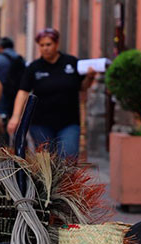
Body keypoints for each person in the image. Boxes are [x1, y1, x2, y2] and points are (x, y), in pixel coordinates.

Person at [7, 28, 96, 160]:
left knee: (68, 160)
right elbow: (23, 92)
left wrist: (89, 77)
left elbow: (82, 87)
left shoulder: (71, 62)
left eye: (48, 44)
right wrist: (15, 116)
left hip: (69, 122)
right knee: (47, 162)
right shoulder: (34, 67)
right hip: (40, 123)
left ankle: (68, 182)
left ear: (56, 44)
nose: (45, 48)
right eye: (42, 45)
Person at [0, 37, 25, 120]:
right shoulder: (20, 58)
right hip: (17, 93)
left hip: (1, 94)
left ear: (0, 47)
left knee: (1, 118)